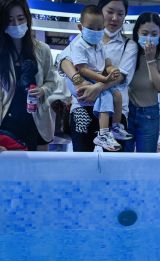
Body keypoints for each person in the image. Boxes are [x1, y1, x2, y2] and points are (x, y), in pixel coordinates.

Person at [59, 0, 138, 152]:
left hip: (114, 110)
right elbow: (62, 60)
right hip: (83, 106)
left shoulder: (129, 45)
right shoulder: (81, 40)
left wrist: (97, 87)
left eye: (120, 14)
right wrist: (79, 80)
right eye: (110, 12)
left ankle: (114, 129)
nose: (115, 17)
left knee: (114, 166)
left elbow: (121, 76)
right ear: (100, 11)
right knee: (83, 161)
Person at [0, 0, 60, 151]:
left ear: (27, 18)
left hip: (37, 121)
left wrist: (43, 90)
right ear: (1, 22)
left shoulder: (42, 49)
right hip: (8, 122)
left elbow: (52, 82)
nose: (16, 24)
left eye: (20, 18)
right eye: (9, 20)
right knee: (12, 170)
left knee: (39, 170)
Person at [124, 12, 160, 153]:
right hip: (126, 113)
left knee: (146, 160)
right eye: (145, 33)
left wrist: (150, 60)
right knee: (123, 159)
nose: (149, 38)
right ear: (137, 32)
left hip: (149, 114)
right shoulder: (129, 51)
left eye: (154, 34)